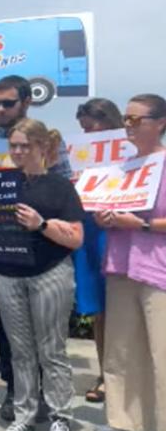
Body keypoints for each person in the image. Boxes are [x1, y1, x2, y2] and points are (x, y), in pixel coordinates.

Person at [0, 75, 72, 420]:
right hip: (1, 250)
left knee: (48, 333)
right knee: (9, 331)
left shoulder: (49, 143)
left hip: (44, 251)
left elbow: (66, 192)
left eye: (7, 103)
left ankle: (51, 399)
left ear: (26, 102)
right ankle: (16, 392)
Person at [0, 119, 83, 431]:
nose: (16, 152)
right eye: (13, 145)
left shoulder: (59, 186)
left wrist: (40, 224)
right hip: (7, 273)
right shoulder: (0, 183)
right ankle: (25, 414)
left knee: (52, 350)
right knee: (20, 351)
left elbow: (76, 237)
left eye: (24, 146)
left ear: (43, 147)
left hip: (50, 273)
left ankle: (61, 419)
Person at [94, 93, 166, 431]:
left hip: (159, 269)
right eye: (126, 118)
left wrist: (142, 225)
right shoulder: (121, 167)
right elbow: (110, 209)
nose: (128, 125)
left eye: (136, 119)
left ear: (160, 123)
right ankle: (126, 420)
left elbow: (147, 222)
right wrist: (105, 216)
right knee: (122, 349)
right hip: (121, 264)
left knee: (162, 351)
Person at [72, 98, 125, 404]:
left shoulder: (132, 153)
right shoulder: (80, 157)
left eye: (90, 127)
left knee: (125, 309)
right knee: (100, 313)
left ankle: (128, 375)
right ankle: (106, 374)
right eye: (82, 128)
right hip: (90, 233)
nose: (87, 134)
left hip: (121, 233)